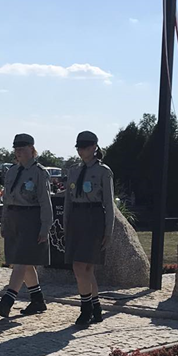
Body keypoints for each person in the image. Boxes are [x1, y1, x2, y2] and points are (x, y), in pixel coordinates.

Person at [0, 134, 54, 319]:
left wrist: (45, 227)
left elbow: (45, 202)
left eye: (22, 148)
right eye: (16, 149)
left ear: (32, 149)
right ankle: (37, 300)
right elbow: (7, 200)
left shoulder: (39, 172)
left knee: (21, 261)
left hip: (31, 218)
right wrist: (4, 223)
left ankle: (8, 300)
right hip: (14, 218)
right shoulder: (12, 171)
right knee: (23, 262)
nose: (19, 152)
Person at [63, 131, 114, 328]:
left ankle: (86, 309)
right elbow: (68, 200)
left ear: (94, 147)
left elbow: (109, 203)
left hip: (94, 218)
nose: (81, 151)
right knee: (86, 268)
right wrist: (66, 222)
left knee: (80, 266)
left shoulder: (103, 171)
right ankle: (96, 307)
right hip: (77, 217)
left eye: (85, 147)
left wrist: (108, 231)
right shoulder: (74, 171)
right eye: (79, 147)